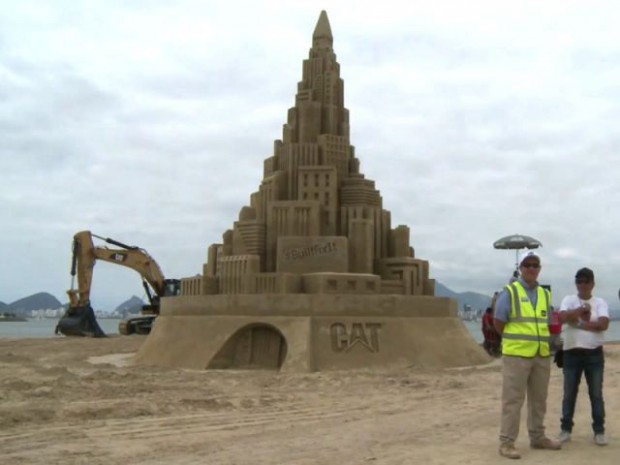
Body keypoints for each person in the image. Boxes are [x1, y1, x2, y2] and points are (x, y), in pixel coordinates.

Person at [493, 250, 561, 459]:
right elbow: (498, 321)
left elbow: (549, 323)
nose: (532, 268)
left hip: (541, 356)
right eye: (528, 265)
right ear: (521, 268)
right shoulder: (510, 292)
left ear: (539, 269)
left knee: (539, 400)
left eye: (535, 265)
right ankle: (506, 442)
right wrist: (514, 341)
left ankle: (538, 437)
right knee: (513, 401)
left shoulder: (544, 294)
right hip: (517, 356)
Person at [557, 267, 610, 446]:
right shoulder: (569, 299)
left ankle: (599, 430)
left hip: (594, 354)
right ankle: (565, 429)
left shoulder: (600, 302)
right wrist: (581, 309)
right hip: (571, 353)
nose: (582, 284)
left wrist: (578, 323)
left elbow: (603, 324)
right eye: (579, 281)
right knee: (569, 393)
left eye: (586, 281)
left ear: (593, 283)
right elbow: (562, 318)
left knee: (595, 393)